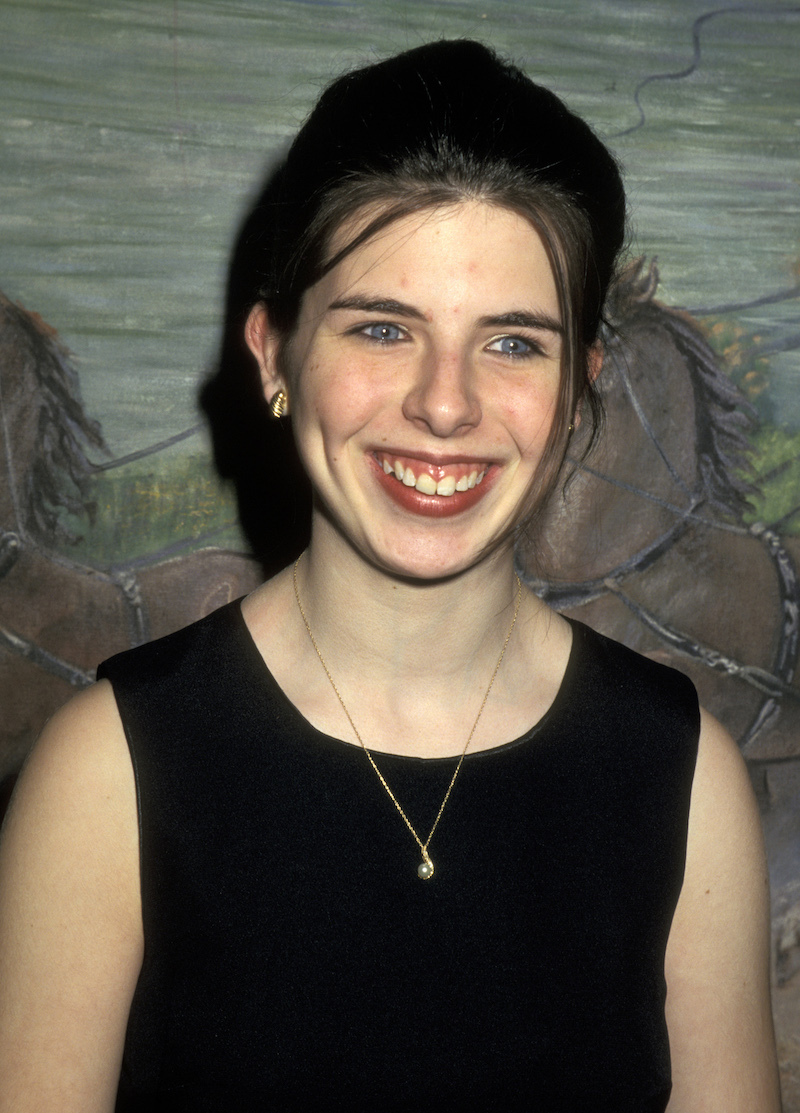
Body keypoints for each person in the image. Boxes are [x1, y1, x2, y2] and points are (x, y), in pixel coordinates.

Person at [0, 39, 781, 1112]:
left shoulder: (683, 775)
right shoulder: (107, 772)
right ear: (272, 356)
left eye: (512, 344)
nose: (445, 404)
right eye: (381, 328)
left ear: (578, 390)